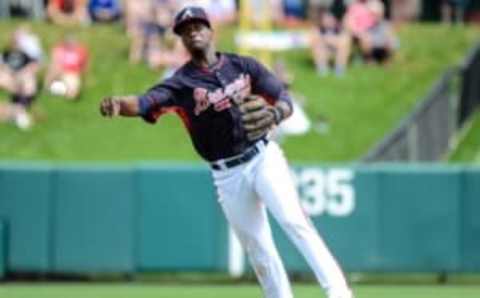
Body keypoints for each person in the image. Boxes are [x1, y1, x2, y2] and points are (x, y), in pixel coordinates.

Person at [99, 6, 353, 298]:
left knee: (295, 221)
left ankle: (339, 293)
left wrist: (275, 114)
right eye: (186, 29)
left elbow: (282, 96)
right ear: (181, 38)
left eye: (198, 25)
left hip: (262, 157)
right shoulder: (180, 84)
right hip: (227, 175)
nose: (193, 31)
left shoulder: (243, 66)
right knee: (258, 248)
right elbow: (146, 102)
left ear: (211, 30)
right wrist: (120, 105)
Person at [0, 26, 43, 130]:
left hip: (22, 76)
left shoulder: (26, 54)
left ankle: (20, 108)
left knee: (28, 81)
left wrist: (23, 73)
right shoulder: (6, 53)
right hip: (10, 76)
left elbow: (35, 64)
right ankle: (18, 111)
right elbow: (3, 66)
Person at [44, 35, 89, 100]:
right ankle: (47, 88)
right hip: (60, 70)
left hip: (72, 72)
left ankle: (69, 93)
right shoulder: (60, 49)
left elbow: (84, 64)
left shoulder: (80, 50)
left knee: (72, 88)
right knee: (54, 68)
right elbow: (54, 60)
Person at [311, 9, 351, 76]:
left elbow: (345, 40)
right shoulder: (317, 29)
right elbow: (314, 39)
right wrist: (331, 40)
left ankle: (339, 69)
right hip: (324, 50)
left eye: (329, 19)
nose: (328, 21)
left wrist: (327, 39)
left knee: (343, 47)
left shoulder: (340, 29)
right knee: (318, 46)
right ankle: (322, 69)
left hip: (337, 49)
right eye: (325, 19)